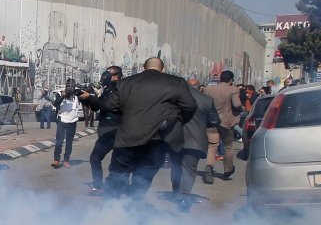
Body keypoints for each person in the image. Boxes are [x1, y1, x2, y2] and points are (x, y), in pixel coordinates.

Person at [79, 57, 196, 202]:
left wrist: (91, 99)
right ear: (163, 69)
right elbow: (190, 107)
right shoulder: (176, 83)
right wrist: (176, 121)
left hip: (128, 137)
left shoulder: (125, 83)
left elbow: (109, 106)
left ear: (144, 68)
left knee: (117, 175)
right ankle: (131, 209)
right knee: (142, 179)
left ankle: (109, 211)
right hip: (158, 139)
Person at [169, 79, 221, 205]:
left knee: (176, 166)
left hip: (175, 138)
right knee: (189, 169)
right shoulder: (207, 100)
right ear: (199, 88)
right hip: (195, 140)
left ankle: (176, 192)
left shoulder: (174, 98)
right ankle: (183, 196)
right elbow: (215, 121)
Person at [86, 66, 123, 191]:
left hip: (115, 129)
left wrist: (90, 98)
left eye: (108, 74)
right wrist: (86, 98)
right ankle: (98, 185)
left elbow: (107, 105)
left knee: (119, 162)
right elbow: (97, 107)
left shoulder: (119, 89)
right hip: (107, 130)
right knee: (95, 158)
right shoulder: (108, 89)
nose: (104, 77)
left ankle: (121, 189)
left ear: (117, 76)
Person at [204, 70, 242, 182]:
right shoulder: (233, 89)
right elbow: (237, 104)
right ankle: (227, 169)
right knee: (228, 146)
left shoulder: (209, 89)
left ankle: (209, 166)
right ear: (231, 80)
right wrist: (241, 109)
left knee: (212, 145)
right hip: (226, 122)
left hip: (211, 121)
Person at [50, 78, 81, 169]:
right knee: (59, 141)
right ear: (66, 86)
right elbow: (56, 104)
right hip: (62, 120)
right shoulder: (60, 94)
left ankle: (66, 160)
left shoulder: (76, 95)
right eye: (68, 86)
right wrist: (63, 96)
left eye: (72, 86)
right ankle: (56, 160)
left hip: (73, 120)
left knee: (69, 142)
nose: (70, 88)